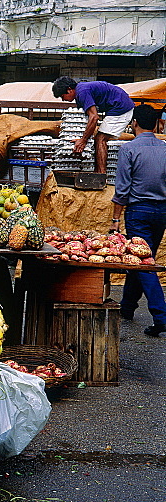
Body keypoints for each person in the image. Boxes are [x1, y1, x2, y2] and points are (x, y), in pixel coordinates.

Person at [112, 104, 166, 337]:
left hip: (138, 212)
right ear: (156, 125)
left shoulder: (128, 149)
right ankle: (127, 307)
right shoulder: (165, 149)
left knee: (144, 264)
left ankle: (161, 316)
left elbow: (122, 189)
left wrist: (115, 219)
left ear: (134, 123)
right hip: (162, 212)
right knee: (142, 258)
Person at [52, 77, 135, 174]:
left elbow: (94, 117)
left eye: (62, 96)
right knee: (98, 138)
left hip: (120, 108)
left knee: (100, 139)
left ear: (69, 89)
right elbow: (87, 121)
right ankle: (98, 171)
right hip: (117, 106)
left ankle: (101, 174)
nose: (63, 100)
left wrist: (83, 140)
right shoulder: (80, 92)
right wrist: (81, 138)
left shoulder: (82, 92)